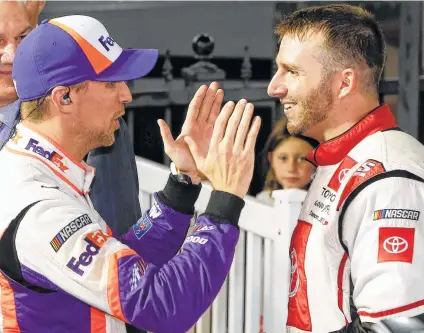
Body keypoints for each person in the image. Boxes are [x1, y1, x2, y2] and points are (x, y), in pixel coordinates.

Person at [0, 15, 261, 333]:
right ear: (64, 97)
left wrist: (183, 182)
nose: (127, 95)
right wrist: (225, 200)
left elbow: (125, 264)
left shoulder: (40, 168)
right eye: (111, 82)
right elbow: (163, 303)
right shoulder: (39, 205)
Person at [268, 4, 424, 333]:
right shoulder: (340, 159)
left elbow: (397, 327)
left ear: (344, 83)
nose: (274, 87)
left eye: (292, 71)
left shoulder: (386, 178)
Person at [256, 117, 317, 205]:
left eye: (302, 159)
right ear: (271, 158)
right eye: (283, 158)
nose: (291, 168)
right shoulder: (261, 203)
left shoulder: (328, 205)